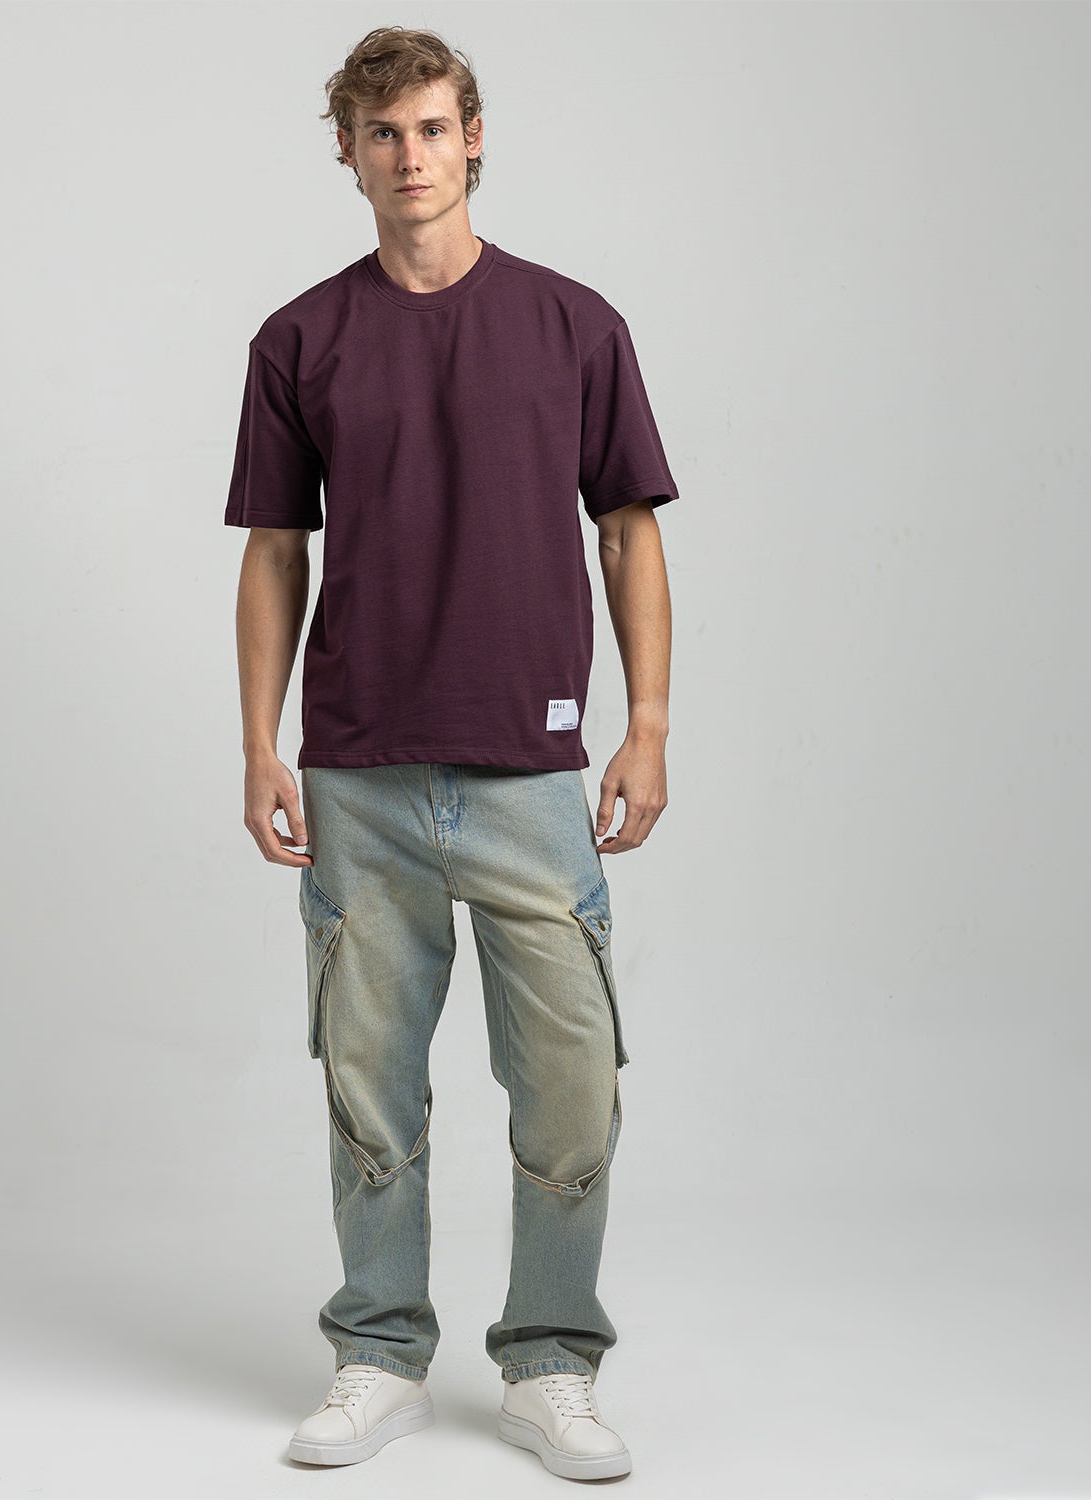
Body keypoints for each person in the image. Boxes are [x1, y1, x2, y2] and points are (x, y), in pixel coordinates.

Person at [225, 25, 679, 1483]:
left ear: (473, 137)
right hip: (358, 769)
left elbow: (627, 530)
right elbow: (274, 549)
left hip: (533, 772)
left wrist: (647, 723)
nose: (410, 156)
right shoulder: (301, 340)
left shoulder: (573, 325)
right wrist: (259, 744)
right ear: (347, 153)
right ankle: (378, 1354)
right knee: (369, 1087)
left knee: (571, 1085)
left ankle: (551, 1366)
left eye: (431, 129)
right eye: (383, 135)